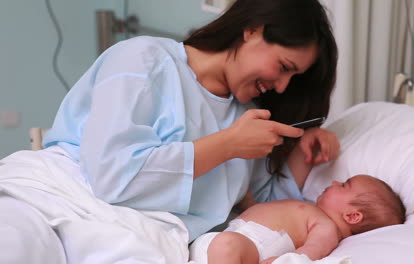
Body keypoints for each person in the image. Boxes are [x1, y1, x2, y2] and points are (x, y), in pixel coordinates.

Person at [0, 0, 339, 262]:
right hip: (55, 198)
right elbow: (112, 175)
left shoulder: (248, 117)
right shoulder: (144, 60)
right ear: (253, 29)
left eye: (293, 79)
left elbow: (263, 211)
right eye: (283, 68)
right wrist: (227, 144)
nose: (282, 87)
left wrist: (304, 153)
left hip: (135, 237)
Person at [189, 175, 406, 264]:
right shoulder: (312, 210)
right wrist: (248, 204)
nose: (334, 180)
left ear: (352, 215)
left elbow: (307, 254)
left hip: (242, 249)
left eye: (343, 185)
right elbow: (265, 216)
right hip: (219, 241)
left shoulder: (327, 228)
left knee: (226, 245)